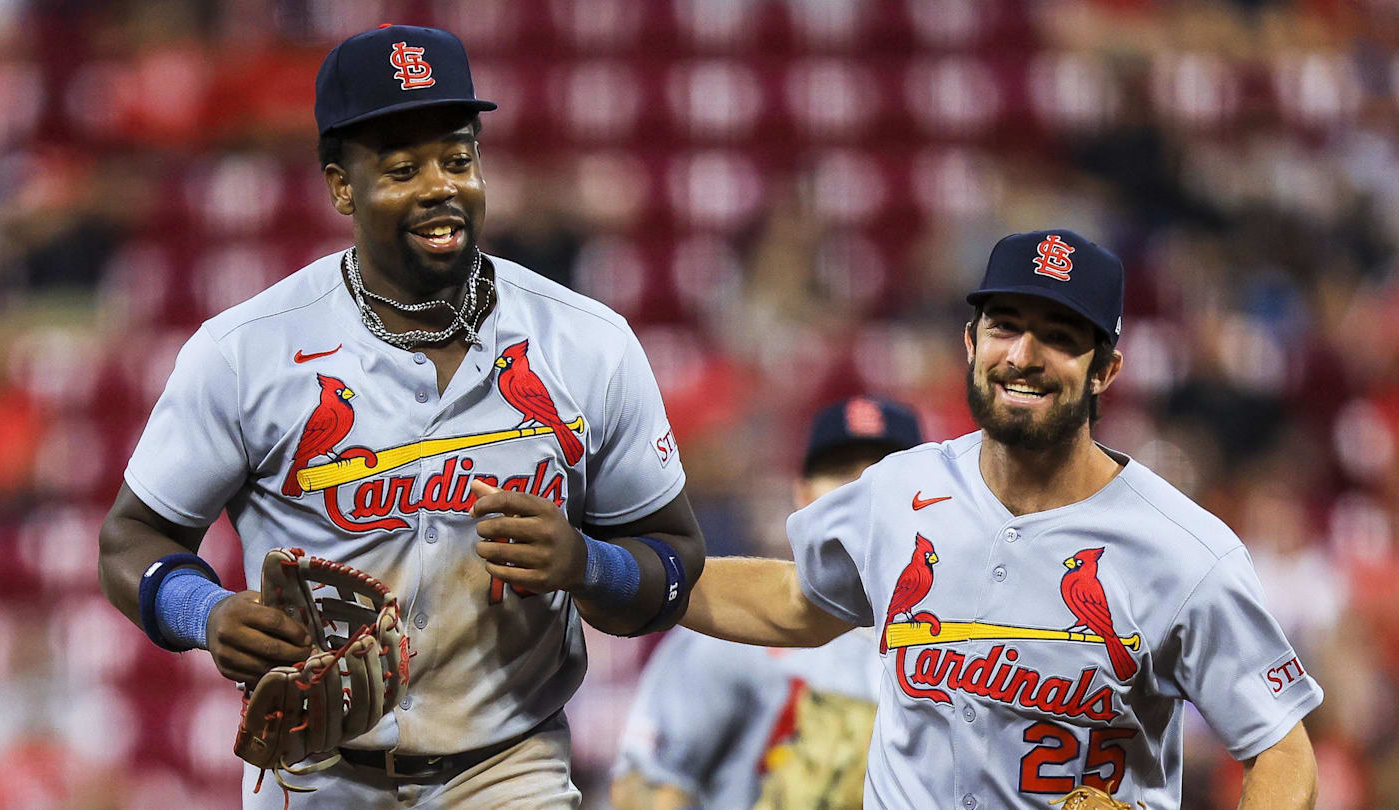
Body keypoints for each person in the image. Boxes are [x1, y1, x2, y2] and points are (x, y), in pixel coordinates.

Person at [96, 25, 704, 810]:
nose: (440, 187)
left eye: (458, 158)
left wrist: (591, 564)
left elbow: (675, 556)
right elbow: (130, 539)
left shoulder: (588, 343)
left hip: (507, 766)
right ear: (341, 187)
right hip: (314, 774)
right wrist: (202, 611)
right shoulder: (245, 351)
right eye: (401, 167)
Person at [680, 230, 1321, 810]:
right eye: (1005, 326)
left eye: (1062, 336)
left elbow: (1282, 751)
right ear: (971, 340)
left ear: (1105, 371)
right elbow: (797, 600)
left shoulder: (1184, 551)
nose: (1024, 355)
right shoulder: (901, 488)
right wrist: (618, 575)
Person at [612, 396, 922, 810]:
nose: (859, 493)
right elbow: (648, 783)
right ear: (803, 493)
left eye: (882, 473)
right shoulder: (739, 623)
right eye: (841, 472)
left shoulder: (960, 638)